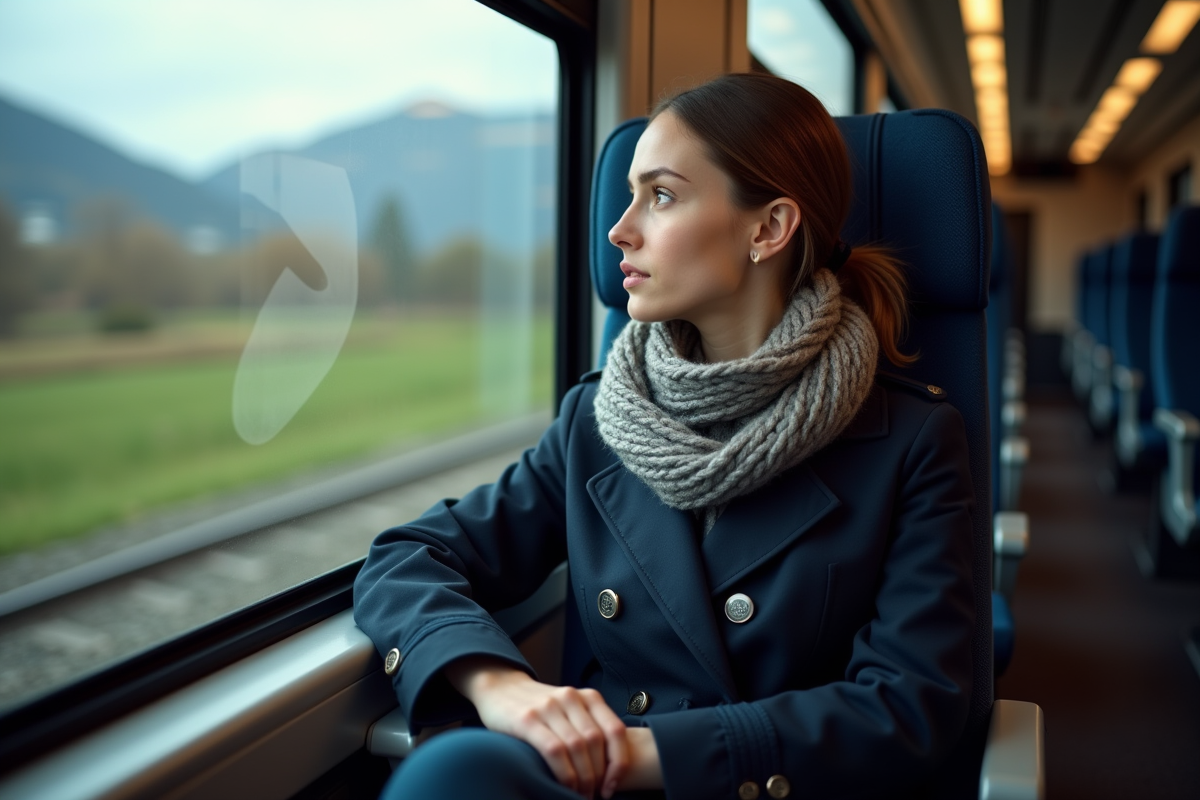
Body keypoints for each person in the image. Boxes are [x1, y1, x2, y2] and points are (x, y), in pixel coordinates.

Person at [353, 72, 975, 800]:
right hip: (594, 780)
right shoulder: (600, 420)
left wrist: (632, 755)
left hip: (738, 782)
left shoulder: (911, 440)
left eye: (663, 195)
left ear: (768, 229)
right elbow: (410, 558)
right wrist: (502, 689)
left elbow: (910, 708)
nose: (621, 228)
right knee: (452, 772)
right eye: (629, 195)